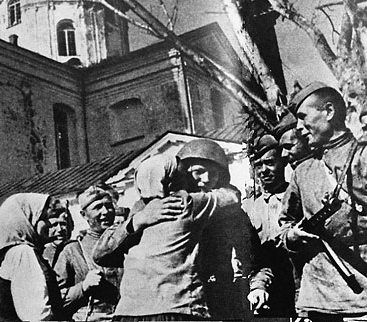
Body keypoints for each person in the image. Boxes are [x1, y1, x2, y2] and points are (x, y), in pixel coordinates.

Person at [93, 151, 241, 319]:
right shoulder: (185, 203)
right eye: (184, 174)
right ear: (171, 181)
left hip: (129, 313)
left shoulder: (138, 212)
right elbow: (232, 197)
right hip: (176, 308)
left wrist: (137, 221)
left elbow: (100, 255)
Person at [280, 82, 367, 320]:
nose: (298, 128)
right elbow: (284, 225)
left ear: (328, 112)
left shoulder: (363, 158)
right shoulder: (303, 171)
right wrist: (292, 237)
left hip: (361, 296)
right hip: (318, 300)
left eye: (303, 117)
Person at [177, 138, 273, 318]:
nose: (205, 179)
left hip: (226, 300)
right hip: (186, 307)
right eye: (197, 172)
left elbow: (257, 261)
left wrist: (258, 286)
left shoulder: (233, 215)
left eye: (212, 174)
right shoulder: (174, 214)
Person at [0, 192, 66, 322]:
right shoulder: (22, 254)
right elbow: (38, 315)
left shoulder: (9, 254)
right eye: (45, 218)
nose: (49, 224)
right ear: (26, 220)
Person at [243, 135, 297, 317]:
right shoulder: (249, 207)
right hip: (264, 292)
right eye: (259, 165)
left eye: (270, 163)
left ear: (283, 162)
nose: (264, 170)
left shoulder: (298, 198)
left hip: (300, 287)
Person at [54, 186, 121, 319]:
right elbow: (55, 300)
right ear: (84, 215)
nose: (105, 212)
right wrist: (83, 287)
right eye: (97, 207)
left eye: (109, 205)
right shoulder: (73, 250)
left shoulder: (126, 243)